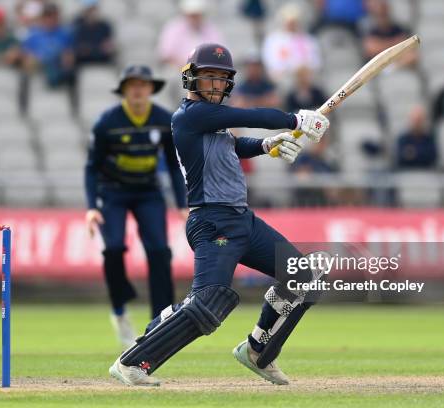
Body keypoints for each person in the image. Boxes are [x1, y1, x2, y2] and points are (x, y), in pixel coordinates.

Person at [109, 43, 329, 386]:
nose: (214, 84)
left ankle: (258, 350)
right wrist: (294, 119)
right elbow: (248, 116)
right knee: (209, 302)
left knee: (303, 276)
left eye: (221, 78)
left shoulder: (212, 125)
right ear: (192, 79)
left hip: (243, 220)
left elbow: (232, 143)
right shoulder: (190, 116)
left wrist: (265, 145)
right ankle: (133, 361)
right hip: (212, 222)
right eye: (208, 77)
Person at [85, 65, 188, 348]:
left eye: (143, 84)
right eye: (132, 85)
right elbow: (92, 168)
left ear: (151, 89)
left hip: (148, 192)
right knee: (114, 248)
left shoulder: (163, 120)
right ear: (124, 89)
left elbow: (175, 165)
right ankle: (119, 310)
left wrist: (182, 203)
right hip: (113, 193)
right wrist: (91, 206)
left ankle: (161, 321)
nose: (138, 90)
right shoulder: (107, 122)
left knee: (159, 251)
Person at [262, 3, 321, 81]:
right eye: (289, 22)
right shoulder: (273, 39)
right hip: (283, 77)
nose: (292, 25)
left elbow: (316, 61)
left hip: (304, 76)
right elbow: (270, 61)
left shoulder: (308, 39)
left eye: (294, 22)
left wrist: (304, 68)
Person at [157, 0, 223, 68]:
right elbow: (165, 57)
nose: (195, 19)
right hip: (179, 71)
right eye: (192, 15)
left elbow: (221, 54)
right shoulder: (173, 28)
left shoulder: (211, 29)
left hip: (205, 71)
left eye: (197, 15)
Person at [22, 2, 75, 87]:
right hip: (38, 75)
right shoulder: (33, 35)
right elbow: (27, 60)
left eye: (53, 15)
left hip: (60, 74)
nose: (50, 19)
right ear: (42, 17)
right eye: (47, 16)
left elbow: (69, 58)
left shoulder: (65, 34)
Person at [362, 0, 416, 67]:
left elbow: (409, 50)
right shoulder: (370, 30)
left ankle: (393, 68)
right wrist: (394, 44)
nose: (382, 17)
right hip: (379, 68)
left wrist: (382, 45)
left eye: (384, 14)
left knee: (410, 56)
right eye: (380, 15)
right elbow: (371, 49)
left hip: (399, 64)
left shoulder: (399, 28)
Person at [72, 0, 114, 65]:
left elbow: (107, 47)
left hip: (102, 61)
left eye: (93, 9)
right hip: (83, 62)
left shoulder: (105, 26)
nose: (91, 12)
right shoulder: (77, 26)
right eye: (89, 9)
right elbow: (79, 49)